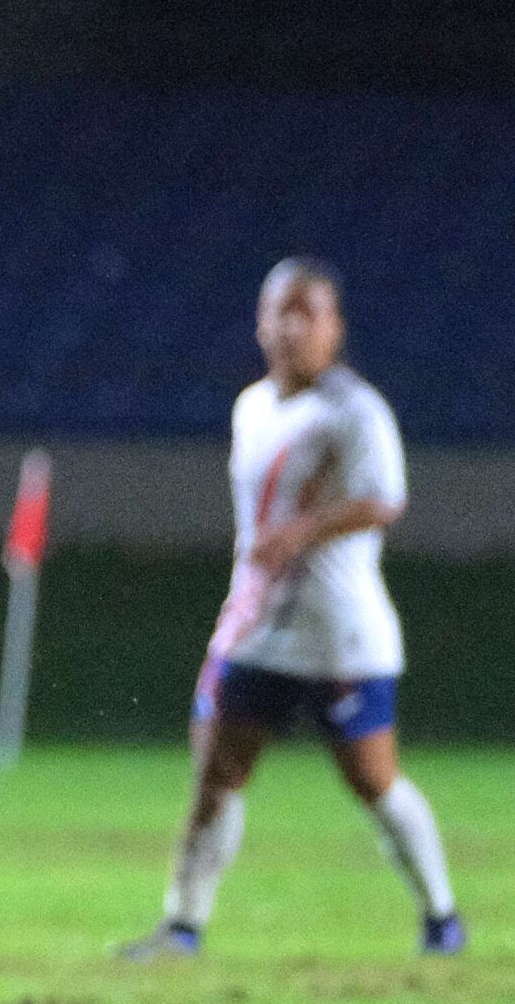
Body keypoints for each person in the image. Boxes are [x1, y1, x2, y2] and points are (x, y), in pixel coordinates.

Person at [117, 258, 463, 960]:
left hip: (340, 634)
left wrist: (303, 531)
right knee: (216, 772)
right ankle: (183, 926)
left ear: (335, 327)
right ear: (260, 323)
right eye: (283, 311)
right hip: (258, 630)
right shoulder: (251, 406)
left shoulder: (354, 410)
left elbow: (385, 500)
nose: (294, 327)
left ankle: (441, 916)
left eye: (310, 312)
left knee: (372, 780)